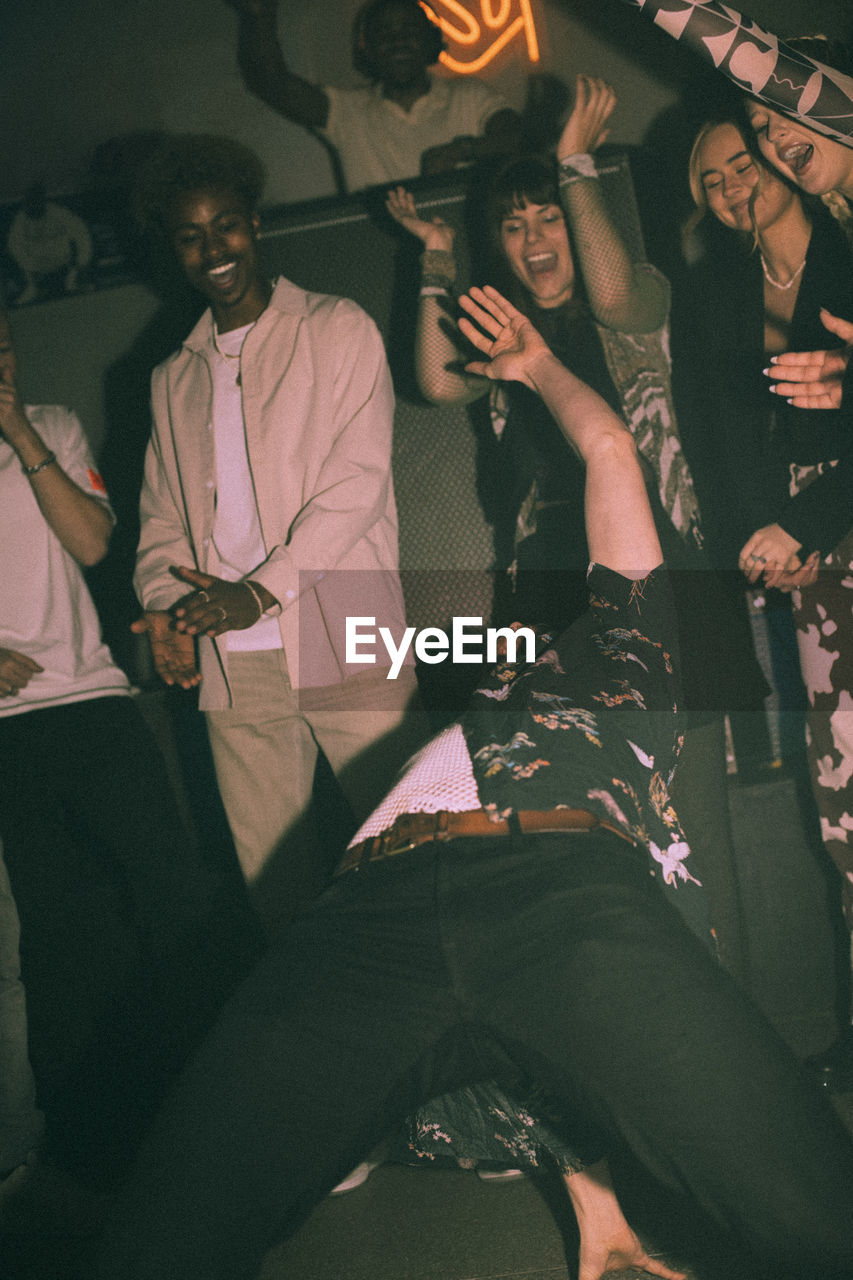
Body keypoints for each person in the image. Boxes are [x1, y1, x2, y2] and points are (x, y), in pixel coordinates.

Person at [95, 287, 853, 1280]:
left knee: (818, 1216)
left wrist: (543, 368)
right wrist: (599, 1209)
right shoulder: (492, 674)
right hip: (366, 913)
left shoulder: (634, 633)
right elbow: (556, 1052)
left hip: (563, 884)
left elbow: (613, 453)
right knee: (158, 1241)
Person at [387, 76, 763, 981]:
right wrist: (438, 257)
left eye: (546, 216)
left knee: (694, 840)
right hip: (553, 610)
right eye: (513, 227)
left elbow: (608, 287)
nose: (532, 239)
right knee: (601, 854)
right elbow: (437, 383)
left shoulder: (635, 307)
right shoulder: (503, 340)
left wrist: (575, 167)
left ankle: (737, 1048)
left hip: (664, 594)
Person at [131, 133, 424, 930]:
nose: (211, 249)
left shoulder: (336, 328)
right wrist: (167, 606)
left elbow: (356, 485)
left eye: (224, 225)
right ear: (174, 249)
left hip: (342, 631)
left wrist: (257, 593)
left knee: (421, 856)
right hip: (235, 666)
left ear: (255, 224)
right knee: (280, 894)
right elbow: (162, 524)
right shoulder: (170, 377)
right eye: (190, 236)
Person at [0, 303, 259, 1187]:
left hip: (95, 702)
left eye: (1, 345)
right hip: (6, 732)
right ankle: (93, 1143)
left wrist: (14, 429)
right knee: (64, 935)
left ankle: (219, 1102)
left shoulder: (53, 427)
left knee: (176, 896)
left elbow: (94, 539)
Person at [228, 0, 521, 193]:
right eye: (384, 33)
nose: (398, 41)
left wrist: (459, 151)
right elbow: (271, 83)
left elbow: (520, 136)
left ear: (431, 40)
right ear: (366, 49)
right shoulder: (346, 111)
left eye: (409, 30)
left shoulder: (468, 95)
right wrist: (260, 16)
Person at [7, 181, 93, 305]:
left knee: (80, 298)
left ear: (43, 200)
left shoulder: (59, 214)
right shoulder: (20, 220)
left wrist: (82, 263)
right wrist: (29, 266)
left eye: (36, 200)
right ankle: (32, 289)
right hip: (37, 272)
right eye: (30, 202)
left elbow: (82, 235)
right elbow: (14, 247)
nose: (33, 205)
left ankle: (74, 284)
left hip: (64, 267)